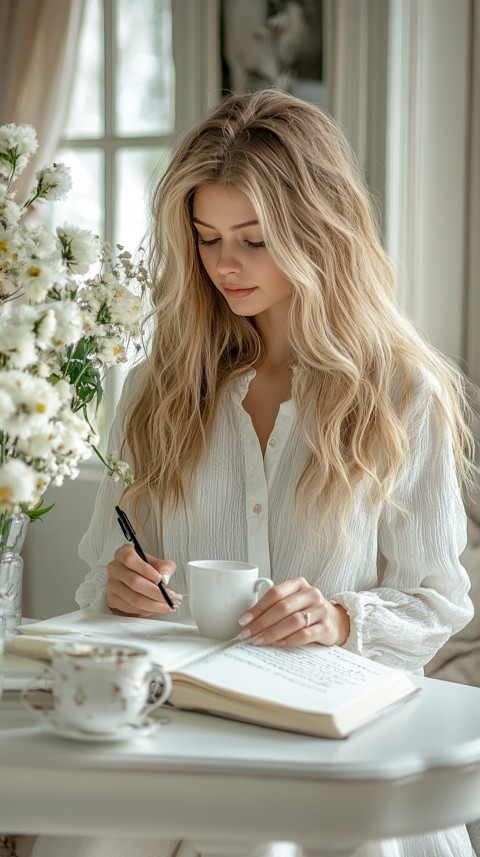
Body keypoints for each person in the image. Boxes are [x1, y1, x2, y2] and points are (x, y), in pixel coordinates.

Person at [33, 89, 477, 857]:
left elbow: (438, 600)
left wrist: (337, 619)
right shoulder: (158, 391)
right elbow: (94, 590)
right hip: (178, 742)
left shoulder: (403, 394)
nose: (225, 264)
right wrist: (122, 590)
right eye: (206, 238)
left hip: (331, 752)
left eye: (254, 239)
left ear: (320, 232)